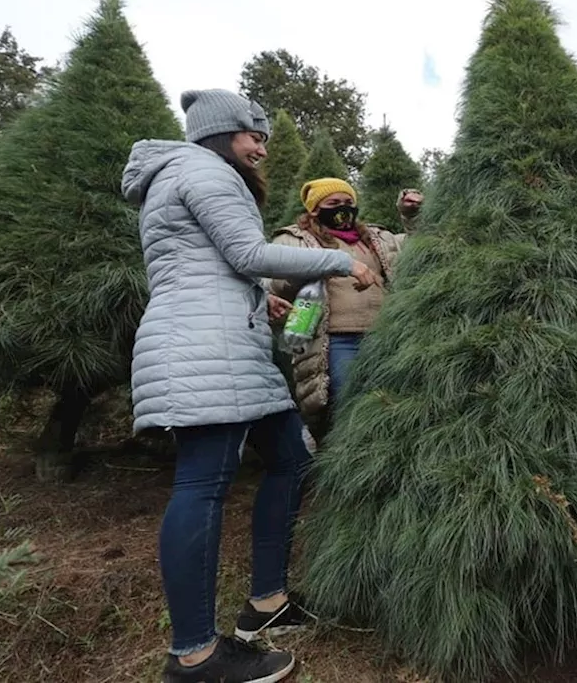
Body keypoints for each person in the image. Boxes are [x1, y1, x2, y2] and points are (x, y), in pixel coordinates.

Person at [122, 89, 379, 683]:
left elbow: (200, 263)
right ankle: (194, 655)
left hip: (225, 341)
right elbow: (244, 250)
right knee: (203, 484)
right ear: (219, 134)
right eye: (251, 134)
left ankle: (266, 601)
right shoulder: (204, 170)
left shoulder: (184, 174)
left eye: (262, 135)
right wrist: (340, 263)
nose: (261, 146)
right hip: (204, 348)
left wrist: (257, 297)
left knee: (291, 458)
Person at [269, 180, 422, 442]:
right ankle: (345, 464)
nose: (343, 209)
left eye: (349, 203)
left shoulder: (377, 238)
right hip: (336, 341)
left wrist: (411, 215)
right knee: (347, 405)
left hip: (383, 336)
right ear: (315, 209)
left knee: (387, 404)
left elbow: (420, 246)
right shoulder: (293, 239)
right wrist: (323, 265)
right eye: (333, 204)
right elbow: (275, 281)